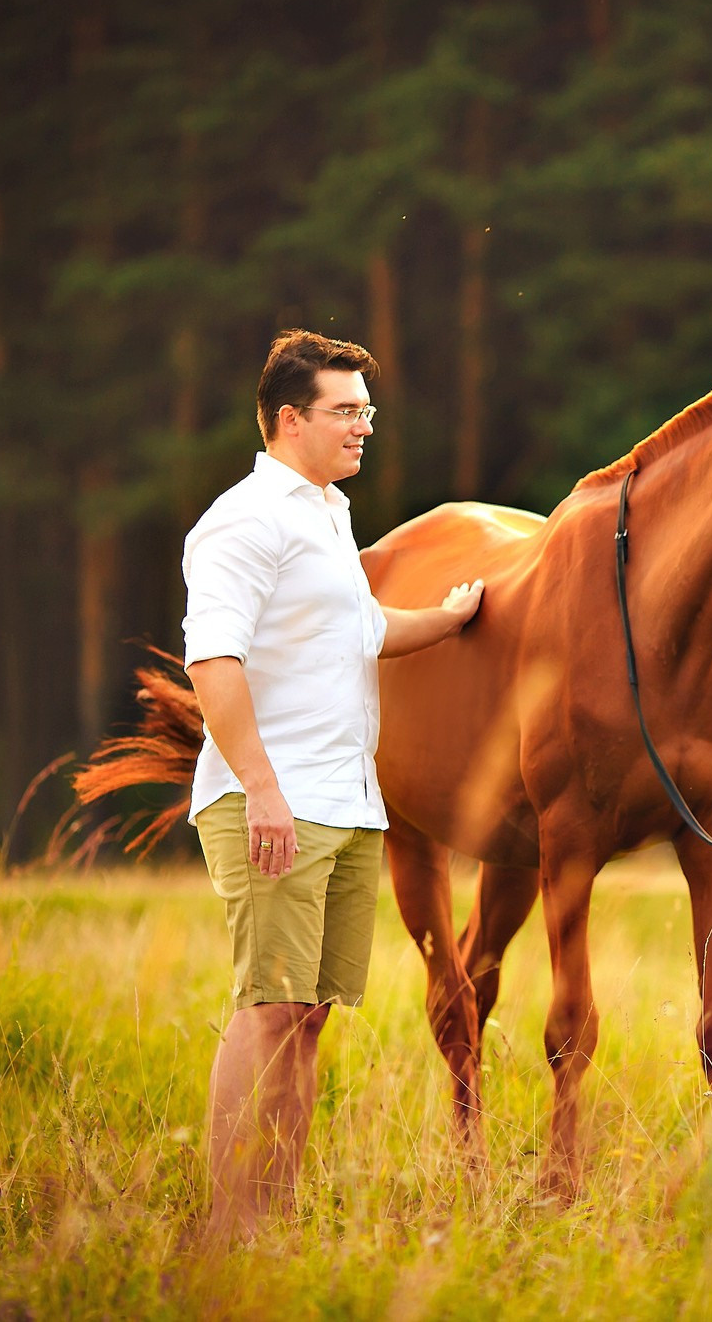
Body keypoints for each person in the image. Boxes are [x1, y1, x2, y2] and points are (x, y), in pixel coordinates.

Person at [183, 329, 484, 1242]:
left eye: (367, 410)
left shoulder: (328, 511)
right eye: (345, 411)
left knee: (308, 1016)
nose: (364, 426)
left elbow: (363, 629)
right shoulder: (244, 521)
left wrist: (452, 616)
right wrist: (265, 790)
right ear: (288, 420)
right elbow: (213, 658)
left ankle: (271, 1214)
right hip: (274, 802)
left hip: (346, 802)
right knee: (269, 1004)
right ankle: (227, 1226)